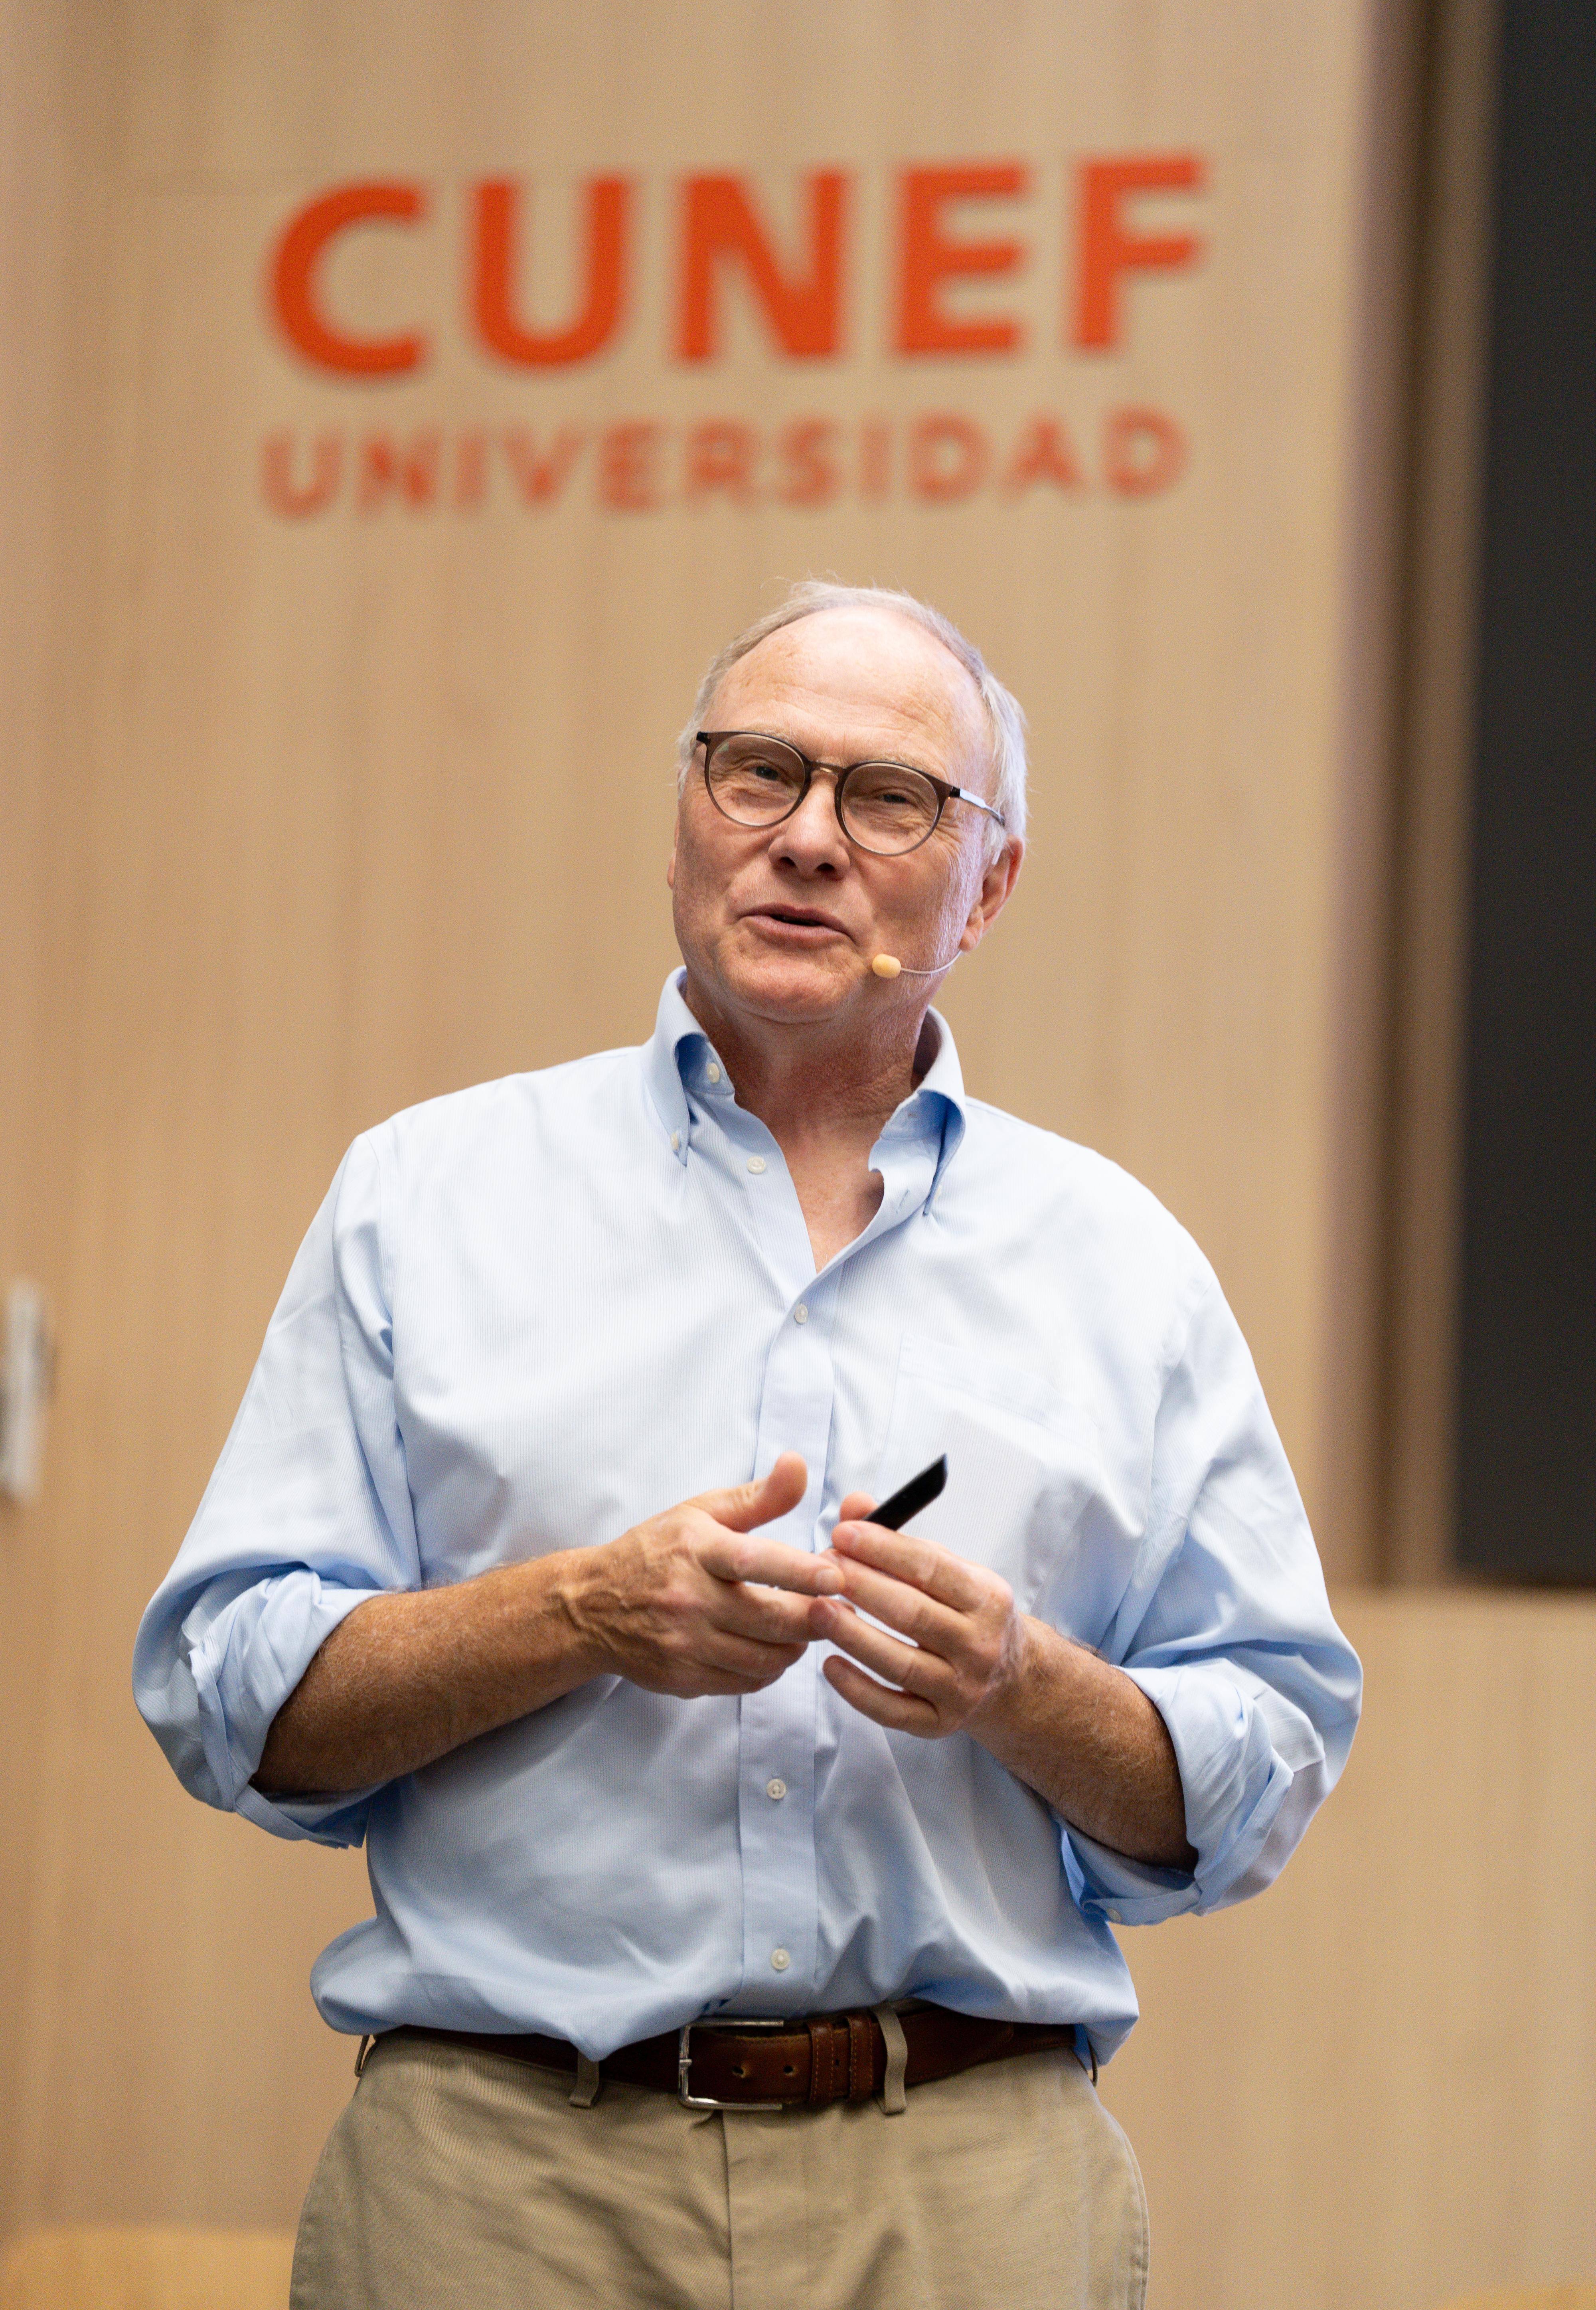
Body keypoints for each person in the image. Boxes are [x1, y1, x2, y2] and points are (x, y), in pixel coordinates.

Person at [134, 581, 1361, 2310]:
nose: (806, 841)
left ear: (989, 883)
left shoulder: (1123, 1264)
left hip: (968, 2181)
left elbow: (1268, 1754)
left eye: (889, 798)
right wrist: (575, 1617)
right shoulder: (421, 1199)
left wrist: (1022, 1684)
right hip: (502, 2178)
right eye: (758, 773)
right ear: (682, 824)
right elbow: (228, 1695)